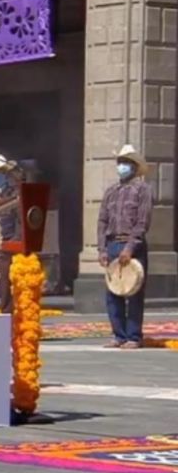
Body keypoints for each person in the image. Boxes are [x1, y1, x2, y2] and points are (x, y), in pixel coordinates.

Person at [98, 144, 152, 349]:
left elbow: (142, 221)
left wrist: (129, 248)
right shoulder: (111, 191)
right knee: (113, 292)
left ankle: (133, 336)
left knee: (135, 292)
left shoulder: (143, 190)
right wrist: (102, 249)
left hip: (133, 246)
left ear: (135, 166)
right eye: (120, 162)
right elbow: (102, 221)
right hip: (112, 243)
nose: (122, 166)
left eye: (126, 163)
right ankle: (118, 334)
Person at [0, 153, 25, 314]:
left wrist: (16, 240)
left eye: (1, 172)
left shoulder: (14, 193)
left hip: (7, 241)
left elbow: (20, 219)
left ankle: (6, 312)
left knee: (5, 281)